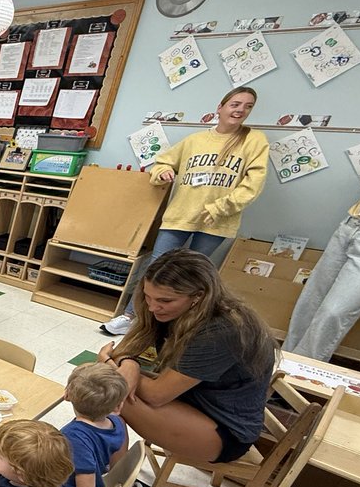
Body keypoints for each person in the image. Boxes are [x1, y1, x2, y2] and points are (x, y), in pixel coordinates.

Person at [100, 250, 275, 487]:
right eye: (147, 297)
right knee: (105, 383)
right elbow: (128, 354)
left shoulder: (224, 330)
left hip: (224, 433)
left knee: (107, 393)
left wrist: (119, 364)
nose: (152, 306)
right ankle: (102, 464)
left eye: (165, 300)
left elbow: (157, 394)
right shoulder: (172, 312)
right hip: (196, 404)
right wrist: (126, 363)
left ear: (198, 296)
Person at [103, 87, 268, 336]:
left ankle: (169, 326)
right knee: (156, 268)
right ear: (220, 108)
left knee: (191, 277)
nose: (241, 110)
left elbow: (253, 185)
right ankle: (131, 316)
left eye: (248, 106)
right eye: (235, 104)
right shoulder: (195, 140)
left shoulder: (254, 140)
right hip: (179, 216)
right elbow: (162, 162)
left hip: (216, 221)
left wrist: (222, 207)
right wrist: (163, 173)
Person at [282, 197, 360, 362]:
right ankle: (281, 365)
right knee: (309, 303)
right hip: (352, 225)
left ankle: (295, 375)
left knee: (333, 312)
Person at [55, 363, 129, 487]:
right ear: (118, 407)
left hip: (66, 486)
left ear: (67, 395)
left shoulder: (74, 436)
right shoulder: (117, 422)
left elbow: (86, 473)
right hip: (97, 474)